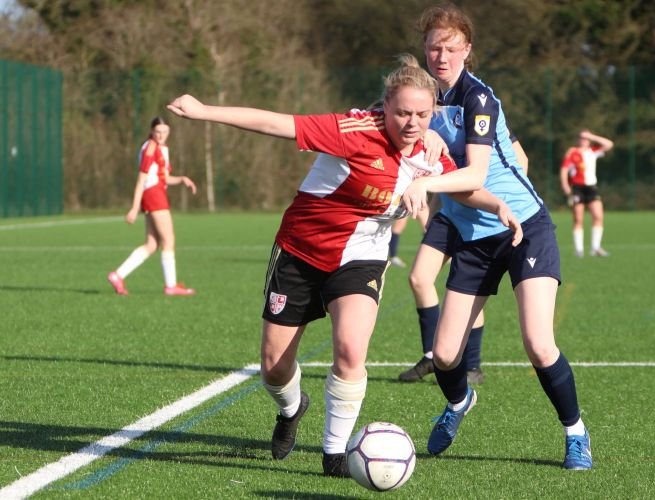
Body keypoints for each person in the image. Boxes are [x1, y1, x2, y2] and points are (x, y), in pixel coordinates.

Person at [166, 55, 522, 477]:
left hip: (362, 257)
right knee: (274, 367)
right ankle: (293, 407)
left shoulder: (430, 149)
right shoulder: (353, 130)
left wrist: (496, 203)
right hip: (300, 250)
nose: (412, 123)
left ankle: (334, 454)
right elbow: (279, 123)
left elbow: (461, 186)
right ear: (384, 107)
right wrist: (205, 112)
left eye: (423, 114)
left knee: (351, 350)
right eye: (403, 113)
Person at [400, 4, 593, 470]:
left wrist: (424, 184)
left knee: (538, 342)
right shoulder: (423, 99)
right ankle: (458, 403)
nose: (440, 55)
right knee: (446, 355)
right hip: (473, 239)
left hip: (523, 228)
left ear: (467, 49)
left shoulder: (478, 98)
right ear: (423, 51)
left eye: (450, 47)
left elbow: (477, 172)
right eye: (433, 47)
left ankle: (576, 434)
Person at [398, 131, 529, 386]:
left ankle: (472, 365)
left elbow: (521, 160)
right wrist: (434, 212)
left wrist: (498, 196)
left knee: (465, 288)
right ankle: (430, 356)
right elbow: (441, 174)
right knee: (419, 278)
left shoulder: (481, 111)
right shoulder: (434, 117)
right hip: (449, 214)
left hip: (480, 214)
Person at [107, 116, 197, 296]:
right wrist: (134, 207)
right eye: (158, 132)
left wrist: (181, 179)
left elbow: (163, 177)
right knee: (168, 241)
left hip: (155, 194)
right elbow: (142, 180)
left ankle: (118, 275)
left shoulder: (161, 148)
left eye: (165, 132)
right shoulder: (150, 148)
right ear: (151, 131)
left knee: (152, 244)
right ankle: (171, 286)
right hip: (154, 196)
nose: (161, 135)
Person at [560, 129, 615, 258]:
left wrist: (592, 136)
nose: (584, 140)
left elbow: (609, 144)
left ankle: (595, 247)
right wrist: (565, 185)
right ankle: (579, 249)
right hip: (577, 188)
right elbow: (564, 169)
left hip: (591, 188)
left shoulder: (593, 151)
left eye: (586, 138)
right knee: (578, 218)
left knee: (598, 216)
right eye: (582, 137)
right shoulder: (572, 152)